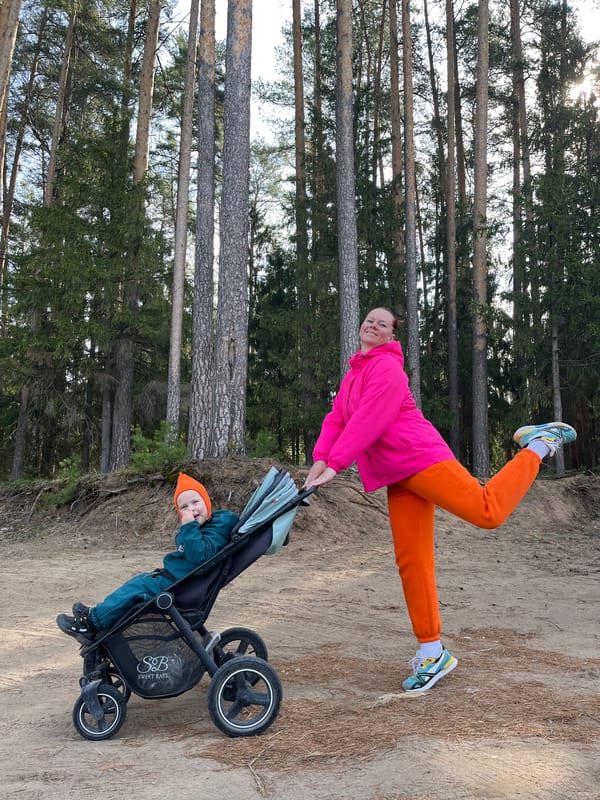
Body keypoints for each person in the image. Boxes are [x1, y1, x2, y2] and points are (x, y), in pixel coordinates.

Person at [303, 307, 577, 694]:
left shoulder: (387, 370)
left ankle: (537, 446)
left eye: (382, 323)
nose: (372, 325)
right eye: (368, 319)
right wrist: (319, 458)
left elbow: (371, 419)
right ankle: (432, 653)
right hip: (398, 476)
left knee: (487, 511)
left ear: (390, 335)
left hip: (421, 458)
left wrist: (336, 464)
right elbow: (336, 418)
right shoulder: (353, 376)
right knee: (412, 562)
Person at [56, 473, 238, 643]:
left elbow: (201, 556)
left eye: (195, 502)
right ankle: (97, 614)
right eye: (184, 507)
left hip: (183, 586)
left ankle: (92, 624)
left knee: (137, 589)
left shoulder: (218, 523)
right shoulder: (199, 528)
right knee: (136, 583)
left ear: (207, 503)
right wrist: (189, 529)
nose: (191, 509)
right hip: (175, 579)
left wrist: (189, 528)